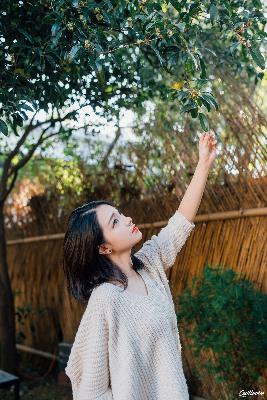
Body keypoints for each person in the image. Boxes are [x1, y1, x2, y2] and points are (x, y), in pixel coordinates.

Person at [63, 132, 217, 400]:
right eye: (115, 222)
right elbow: (91, 392)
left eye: (120, 214)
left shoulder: (149, 265)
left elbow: (181, 222)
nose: (127, 219)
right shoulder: (106, 299)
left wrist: (203, 163)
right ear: (103, 247)